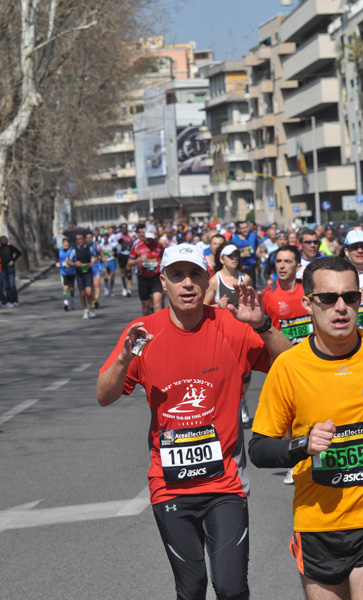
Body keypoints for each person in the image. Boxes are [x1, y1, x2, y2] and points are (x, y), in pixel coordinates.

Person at [97, 243, 291, 600]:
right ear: (164, 282)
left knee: (231, 589)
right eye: (177, 275)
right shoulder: (142, 333)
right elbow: (104, 395)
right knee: (192, 587)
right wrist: (124, 358)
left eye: (195, 275)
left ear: (207, 279)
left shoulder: (230, 327)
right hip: (169, 486)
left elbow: (294, 365)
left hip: (225, 485)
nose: (187, 284)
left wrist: (262, 325)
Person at [249, 256, 363, 600]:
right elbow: (258, 448)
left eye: (351, 297)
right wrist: (302, 445)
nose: (341, 307)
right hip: (317, 524)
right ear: (308, 303)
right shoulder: (288, 367)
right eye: (329, 298)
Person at [261, 244, 314, 485]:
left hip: (311, 360)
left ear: (298, 266)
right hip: (283, 363)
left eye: (287, 262)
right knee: (290, 415)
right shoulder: (268, 294)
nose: (282, 266)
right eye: (279, 262)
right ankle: (294, 461)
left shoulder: (308, 291)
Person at [204, 242, 253, 427]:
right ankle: (226, 406)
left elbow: (251, 303)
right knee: (224, 373)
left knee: (246, 373)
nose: (234, 258)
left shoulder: (245, 279)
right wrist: (217, 306)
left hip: (242, 331)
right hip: (221, 334)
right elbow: (202, 306)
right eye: (230, 256)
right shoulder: (215, 281)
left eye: (236, 255)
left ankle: (241, 400)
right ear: (222, 259)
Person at [128, 223, 164, 316]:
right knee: (146, 308)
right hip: (143, 278)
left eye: (151, 238)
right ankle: (147, 328)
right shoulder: (137, 246)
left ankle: (158, 328)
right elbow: (129, 263)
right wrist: (139, 259)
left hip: (156, 278)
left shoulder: (158, 245)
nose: (149, 240)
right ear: (144, 234)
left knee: (157, 306)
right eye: (148, 237)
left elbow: (164, 258)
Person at [68, 233, 98, 319]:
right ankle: (85, 310)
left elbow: (97, 257)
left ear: (83, 239)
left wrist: (92, 263)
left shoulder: (89, 248)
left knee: (88, 293)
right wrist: (75, 263)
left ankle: (90, 306)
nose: (80, 241)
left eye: (81, 239)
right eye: (78, 239)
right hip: (79, 274)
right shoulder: (74, 250)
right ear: (76, 241)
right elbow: (69, 261)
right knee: (82, 294)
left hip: (88, 273)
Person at [231, 221, 259, 288]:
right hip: (241, 267)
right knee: (242, 287)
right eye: (242, 228)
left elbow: (257, 245)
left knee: (252, 287)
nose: (244, 229)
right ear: (239, 229)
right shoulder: (234, 240)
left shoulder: (253, 236)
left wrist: (258, 251)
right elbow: (232, 253)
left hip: (251, 266)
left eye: (246, 227)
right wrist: (241, 254)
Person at [0, 235, 22, 307]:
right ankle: (9, 301)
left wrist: (13, 260)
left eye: (4, 239)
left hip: (10, 267)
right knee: (6, 285)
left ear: (6, 240)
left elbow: (19, 253)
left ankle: (15, 300)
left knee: (11, 284)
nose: (3, 241)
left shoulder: (10, 247)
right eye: (1, 240)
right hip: (3, 267)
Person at [56, 237, 76, 311]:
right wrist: (57, 263)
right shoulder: (59, 250)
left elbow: (76, 260)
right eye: (65, 243)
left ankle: (72, 299)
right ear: (62, 244)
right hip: (64, 272)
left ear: (69, 244)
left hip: (72, 271)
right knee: (65, 286)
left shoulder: (72, 251)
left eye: (67, 243)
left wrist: (71, 262)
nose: (66, 245)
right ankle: (65, 301)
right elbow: (57, 258)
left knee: (72, 288)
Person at [86, 232, 102, 309]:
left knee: (96, 285)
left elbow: (101, 256)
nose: (89, 239)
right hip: (88, 270)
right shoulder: (84, 247)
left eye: (90, 237)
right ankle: (93, 299)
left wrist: (105, 265)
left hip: (96, 268)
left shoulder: (97, 246)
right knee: (91, 287)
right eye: (87, 238)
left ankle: (96, 300)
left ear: (92, 238)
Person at [116, 223, 133, 297]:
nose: (124, 228)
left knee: (129, 272)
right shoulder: (118, 235)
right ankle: (124, 287)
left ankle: (129, 289)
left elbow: (133, 243)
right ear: (121, 228)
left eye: (125, 227)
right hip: (121, 256)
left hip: (128, 255)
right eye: (122, 227)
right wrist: (118, 242)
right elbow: (113, 244)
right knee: (123, 274)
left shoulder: (131, 235)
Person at [99, 231, 117, 297]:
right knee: (105, 275)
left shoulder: (112, 244)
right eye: (104, 236)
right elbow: (99, 253)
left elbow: (116, 250)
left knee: (112, 278)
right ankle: (106, 286)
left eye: (106, 236)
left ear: (108, 237)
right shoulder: (101, 245)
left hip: (111, 261)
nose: (105, 237)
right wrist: (100, 257)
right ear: (103, 237)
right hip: (104, 261)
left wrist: (114, 253)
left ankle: (111, 289)